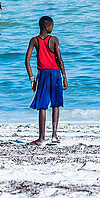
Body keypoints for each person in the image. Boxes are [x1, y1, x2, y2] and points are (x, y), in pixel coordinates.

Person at [25, 15, 68, 145]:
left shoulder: (34, 40)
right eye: (52, 26)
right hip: (55, 74)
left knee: (42, 106)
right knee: (55, 104)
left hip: (42, 75)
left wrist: (32, 79)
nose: (52, 28)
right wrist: (64, 77)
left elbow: (27, 61)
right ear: (47, 27)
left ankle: (41, 137)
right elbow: (59, 60)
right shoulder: (54, 40)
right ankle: (54, 135)